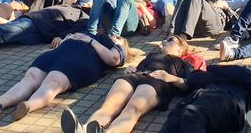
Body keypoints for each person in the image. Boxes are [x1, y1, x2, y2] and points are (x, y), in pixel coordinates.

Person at [0, 32, 132, 121]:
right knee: (30, 78)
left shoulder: (112, 45)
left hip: (80, 61)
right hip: (57, 54)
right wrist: (67, 39)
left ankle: (28, 105)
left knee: (52, 82)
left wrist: (90, 41)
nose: (114, 35)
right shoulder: (91, 32)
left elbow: (113, 59)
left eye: (119, 38)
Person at [61, 35, 193, 133]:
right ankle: (83, 130)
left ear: (181, 48)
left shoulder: (184, 63)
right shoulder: (151, 55)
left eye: (170, 40)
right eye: (164, 39)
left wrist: (170, 77)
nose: (164, 41)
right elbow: (140, 67)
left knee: (131, 110)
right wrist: (132, 69)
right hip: (136, 76)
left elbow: (188, 85)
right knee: (109, 105)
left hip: (157, 80)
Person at [160, 65, 251, 133]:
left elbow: (241, 73)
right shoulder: (211, 78)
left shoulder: (244, 80)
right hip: (201, 97)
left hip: (228, 99)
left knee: (191, 113)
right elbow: (192, 80)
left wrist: (211, 67)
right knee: (174, 119)